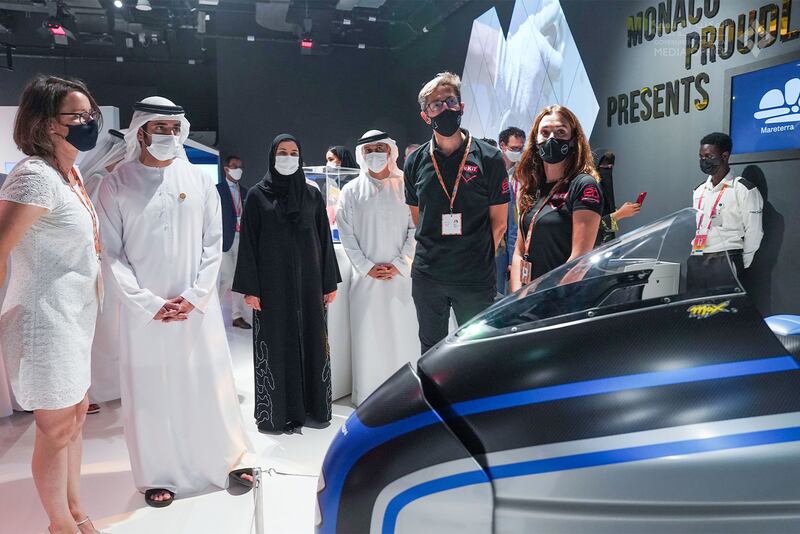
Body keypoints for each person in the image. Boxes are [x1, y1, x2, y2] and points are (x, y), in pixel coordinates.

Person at [96, 96, 252, 508]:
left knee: (207, 385)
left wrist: (195, 296)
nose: (166, 135)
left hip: (194, 311)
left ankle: (226, 460)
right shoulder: (116, 182)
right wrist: (148, 303)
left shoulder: (200, 180)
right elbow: (111, 253)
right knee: (151, 392)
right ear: (141, 131)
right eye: (158, 128)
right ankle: (156, 474)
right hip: (143, 316)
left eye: (172, 128)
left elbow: (213, 244)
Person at [0, 75, 106, 534]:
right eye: (77, 116)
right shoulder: (34, 176)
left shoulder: (70, 174)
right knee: (55, 427)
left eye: (90, 114)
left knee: (75, 418)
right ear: (45, 123)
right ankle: (59, 524)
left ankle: (76, 510)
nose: (88, 123)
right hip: (44, 321)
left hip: (73, 316)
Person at [233, 134, 340, 434]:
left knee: (312, 342)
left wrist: (328, 282)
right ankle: (276, 413)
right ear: (272, 156)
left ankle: (314, 408)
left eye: (294, 153)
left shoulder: (312, 195)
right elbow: (249, 245)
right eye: (283, 152)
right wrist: (251, 288)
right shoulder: (256, 195)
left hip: (309, 285)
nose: (288, 157)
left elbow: (324, 241)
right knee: (275, 344)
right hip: (272, 287)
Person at [404, 72, 509, 354]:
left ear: (461, 106)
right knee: (431, 350)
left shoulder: (489, 157)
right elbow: (419, 218)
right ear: (426, 116)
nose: (444, 108)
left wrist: (471, 254)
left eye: (450, 101)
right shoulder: (415, 162)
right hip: (429, 277)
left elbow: (499, 223)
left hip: (474, 278)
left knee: (478, 353)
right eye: (435, 105)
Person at [336, 130, 419, 405]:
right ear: (362, 154)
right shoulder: (350, 191)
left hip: (402, 280)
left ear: (391, 151)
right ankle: (369, 397)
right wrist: (366, 267)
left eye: (380, 148)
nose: (375, 154)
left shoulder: (407, 185)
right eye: (369, 150)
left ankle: (407, 396)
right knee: (368, 339)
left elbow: (415, 229)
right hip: (365, 282)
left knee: (403, 335)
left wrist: (399, 264)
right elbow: (345, 234)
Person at [509, 105, 603, 292]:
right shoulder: (531, 187)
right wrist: (518, 297)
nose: (552, 138)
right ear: (535, 140)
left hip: (562, 300)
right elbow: (519, 252)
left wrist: (549, 299)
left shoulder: (584, 185)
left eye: (560, 132)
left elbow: (580, 258)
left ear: (573, 139)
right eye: (545, 132)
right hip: (528, 298)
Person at [78, 128, 127, 415]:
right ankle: (91, 390)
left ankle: (112, 386)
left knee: (113, 330)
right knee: (98, 331)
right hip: (97, 266)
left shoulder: (112, 182)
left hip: (112, 265)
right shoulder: (96, 181)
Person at [687, 132, 763, 292]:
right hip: (698, 258)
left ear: (725, 156)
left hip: (727, 259)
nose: (704, 161)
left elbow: (754, 231)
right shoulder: (699, 190)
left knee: (724, 312)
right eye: (701, 157)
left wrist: (741, 263)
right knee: (695, 311)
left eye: (708, 156)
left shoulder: (743, 189)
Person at [217, 155, 250, 329]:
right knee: (227, 279)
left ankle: (237, 316)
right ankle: (212, 313)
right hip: (224, 240)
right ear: (226, 168)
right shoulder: (217, 190)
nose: (238, 169)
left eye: (240, 166)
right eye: (234, 166)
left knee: (239, 280)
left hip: (241, 239)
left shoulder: (244, 192)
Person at [496, 126, 526, 294]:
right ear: (502, 145)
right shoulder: (493, 171)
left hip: (517, 233)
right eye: (514, 148)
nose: (518, 152)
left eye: (521, 148)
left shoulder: (525, 173)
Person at [596, 151, 641, 243]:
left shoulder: (601, 188)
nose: (608, 169)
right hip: (591, 251)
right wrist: (620, 213)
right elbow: (592, 225)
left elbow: (605, 212)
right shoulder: (590, 189)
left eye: (611, 167)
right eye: (605, 167)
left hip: (605, 248)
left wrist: (620, 211)